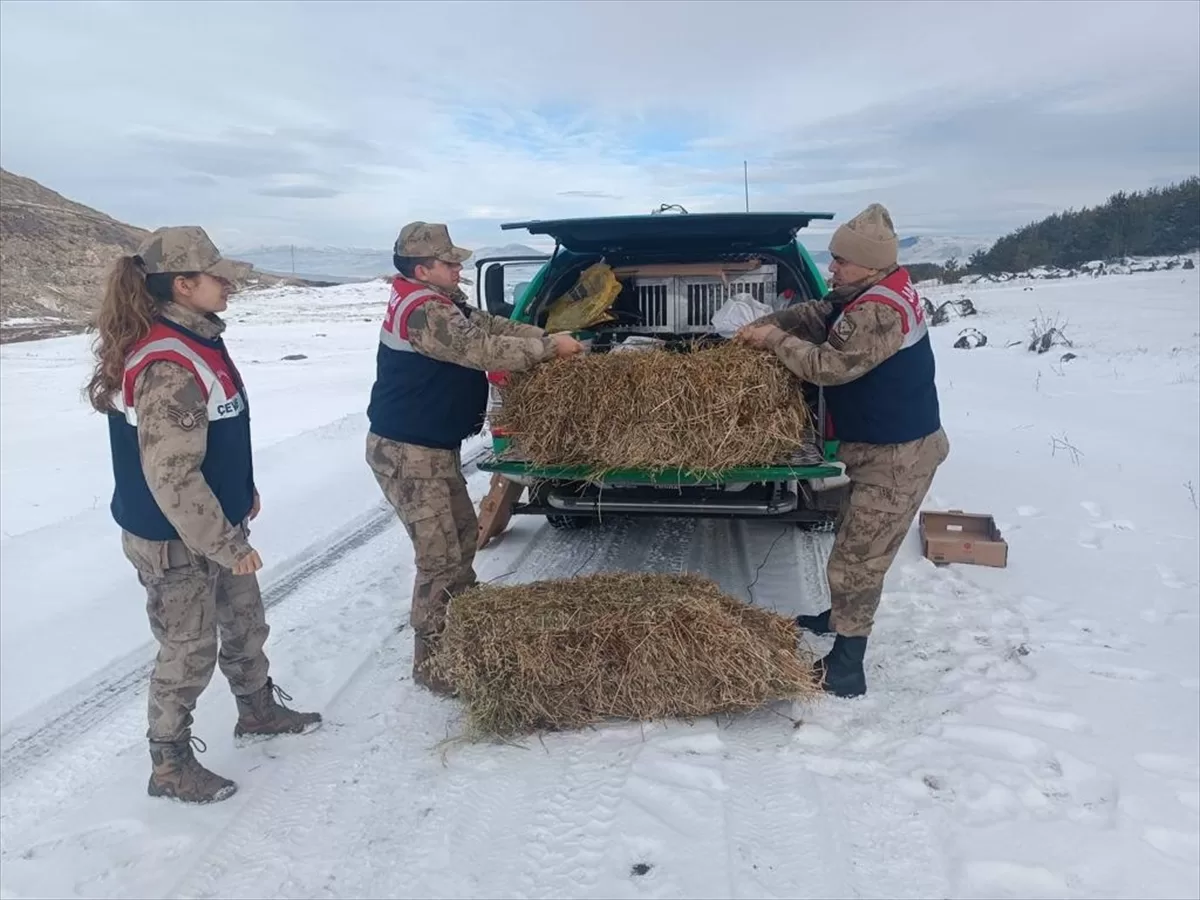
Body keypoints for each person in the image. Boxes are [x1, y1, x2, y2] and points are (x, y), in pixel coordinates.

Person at [86, 226, 322, 805]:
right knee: (187, 651)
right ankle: (169, 767)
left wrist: (242, 492)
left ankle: (257, 711)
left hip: (212, 525)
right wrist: (227, 541)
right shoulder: (169, 362)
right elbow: (171, 476)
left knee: (244, 625)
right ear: (183, 285)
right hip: (178, 539)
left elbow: (215, 435)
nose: (229, 284)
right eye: (218, 276)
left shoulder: (196, 340)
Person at [735, 203, 950, 698]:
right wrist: (769, 323)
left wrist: (773, 341)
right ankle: (837, 618)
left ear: (870, 265)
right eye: (832, 259)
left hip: (899, 457)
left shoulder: (879, 310)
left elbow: (830, 367)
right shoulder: (872, 289)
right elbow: (819, 311)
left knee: (858, 561)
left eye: (840, 262)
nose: (831, 269)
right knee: (852, 540)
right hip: (883, 449)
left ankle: (847, 667)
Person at [365, 222, 584, 695]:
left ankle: (462, 635)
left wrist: (545, 333)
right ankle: (433, 661)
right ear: (423, 268)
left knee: (464, 537)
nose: (458, 267)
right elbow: (480, 349)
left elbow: (490, 326)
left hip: (430, 448)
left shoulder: (441, 301)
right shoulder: (423, 310)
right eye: (450, 262)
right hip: (408, 453)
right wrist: (549, 348)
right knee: (440, 559)